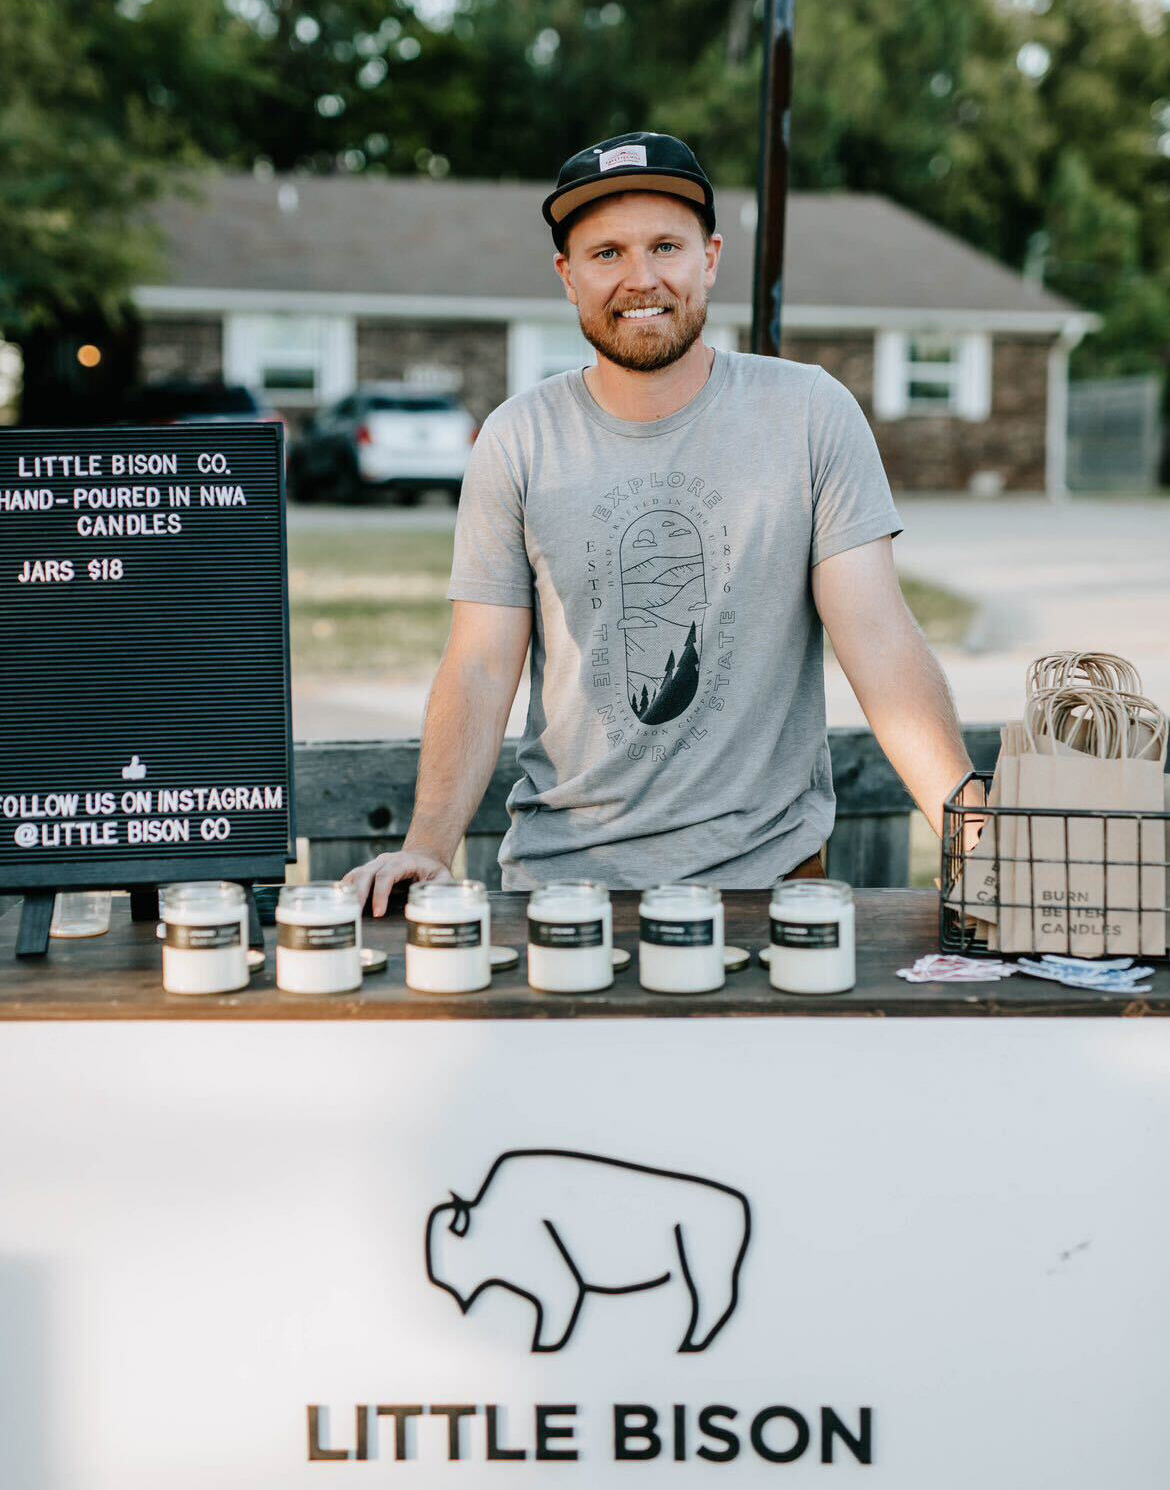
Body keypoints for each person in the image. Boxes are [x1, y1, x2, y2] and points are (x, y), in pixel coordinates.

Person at [346, 131, 978, 916]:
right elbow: (479, 664)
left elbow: (878, 638)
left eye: (666, 246)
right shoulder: (518, 438)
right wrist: (427, 846)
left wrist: (973, 831)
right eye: (606, 253)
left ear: (710, 259)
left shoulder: (810, 413)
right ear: (567, 277)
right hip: (564, 887)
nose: (640, 278)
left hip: (769, 884)